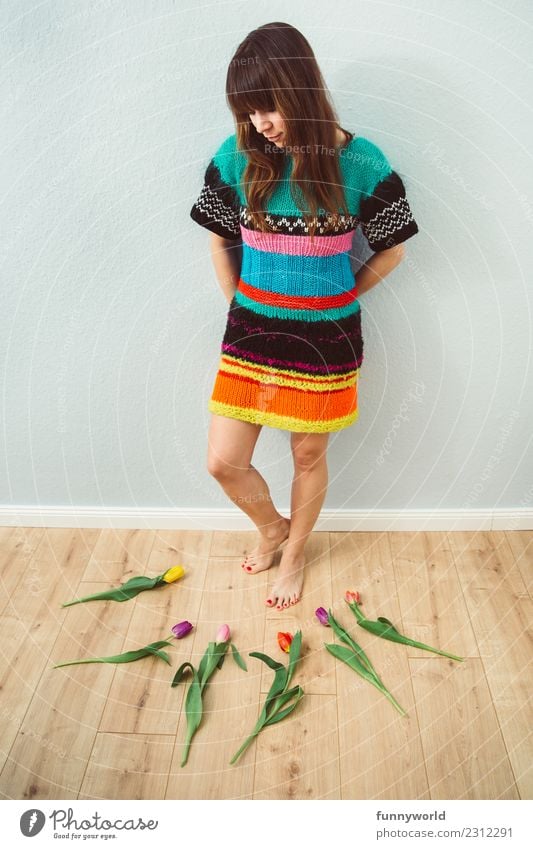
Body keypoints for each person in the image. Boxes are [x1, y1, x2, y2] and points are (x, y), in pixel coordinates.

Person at [190, 22, 419, 610]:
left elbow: (392, 247)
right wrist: (237, 301)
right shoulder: (238, 155)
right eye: (248, 110)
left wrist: (342, 296)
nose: (259, 122)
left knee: (308, 455)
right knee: (223, 461)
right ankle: (272, 527)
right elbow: (218, 239)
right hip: (252, 335)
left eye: (267, 106)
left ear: (301, 87)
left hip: (325, 340)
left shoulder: (360, 162)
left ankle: (294, 556)